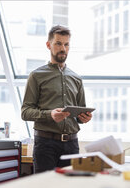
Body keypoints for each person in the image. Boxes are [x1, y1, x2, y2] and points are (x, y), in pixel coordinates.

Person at [21, 25, 92, 173]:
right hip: (45, 145)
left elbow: (79, 115)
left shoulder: (76, 78)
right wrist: (50, 115)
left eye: (66, 44)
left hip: (72, 145)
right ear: (49, 45)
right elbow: (26, 112)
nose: (63, 49)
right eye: (58, 43)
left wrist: (84, 117)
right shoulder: (36, 75)